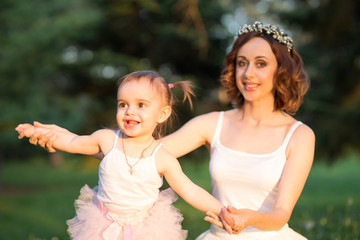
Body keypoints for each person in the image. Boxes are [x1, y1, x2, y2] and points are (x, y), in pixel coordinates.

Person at [23, 21, 315, 239]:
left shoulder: (299, 135)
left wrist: (249, 218)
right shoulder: (212, 123)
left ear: (281, 70)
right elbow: (140, 156)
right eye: (242, 63)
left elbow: (280, 216)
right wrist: (63, 138)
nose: (248, 73)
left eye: (261, 64)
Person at [16, 71, 228, 240]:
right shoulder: (107, 139)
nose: (129, 111)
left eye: (141, 105)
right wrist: (41, 132)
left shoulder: (162, 158)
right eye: (123, 104)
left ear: (162, 114)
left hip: (145, 229)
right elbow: (73, 142)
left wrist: (221, 210)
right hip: (102, 223)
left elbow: (190, 191)